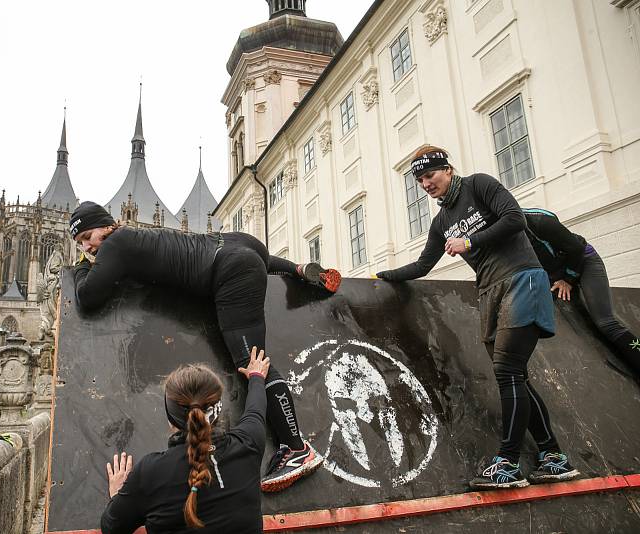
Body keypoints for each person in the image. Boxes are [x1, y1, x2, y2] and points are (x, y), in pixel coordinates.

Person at [70, 201, 341, 491]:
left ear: (107, 225)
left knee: (253, 363)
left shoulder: (116, 245)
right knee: (246, 258)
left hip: (229, 272)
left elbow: (88, 297)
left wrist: (80, 269)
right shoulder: (136, 238)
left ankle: (295, 448)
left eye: (88, 236)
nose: (87, 247)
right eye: (79, 243)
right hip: (243, 246)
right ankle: (299, 270)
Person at [374, 146, 579, 489]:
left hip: (522, 278)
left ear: (448, 169)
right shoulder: (441, 222)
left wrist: (469, 242)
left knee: (508, 371)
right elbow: (422, 266)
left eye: (430, 175)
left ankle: (508, 464)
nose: (425, 183)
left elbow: (514, 218)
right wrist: (382, 277)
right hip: (489, 293)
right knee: (517, 378)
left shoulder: (479, 185)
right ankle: (553, 457)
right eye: (420, 179)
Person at [101, 347, 269, 533]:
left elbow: (112, 528)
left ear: (170, 418)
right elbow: (256, 409)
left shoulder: (151, 472)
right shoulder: (249, 442)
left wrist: (117, 493)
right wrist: (256, 377)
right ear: (218, 410)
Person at [522, 207, 640, 378]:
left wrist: (568, 280)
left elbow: (576, 249)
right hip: (556, 272)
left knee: (605, 322)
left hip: (584, 261)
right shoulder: (504, 236)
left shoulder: (539, 220)